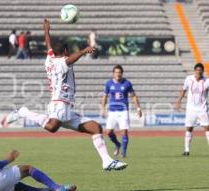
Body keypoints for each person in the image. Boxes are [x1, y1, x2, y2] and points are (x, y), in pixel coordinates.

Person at [7, 19, 127, 171]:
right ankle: (24, 112)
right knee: (52, 127)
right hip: (59, 103)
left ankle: (107, 161)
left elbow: (49, 45)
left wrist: (46, 31)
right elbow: (70, 59)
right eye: (67, 51)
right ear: (64, 52)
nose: (68, 53)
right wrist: (83, 51)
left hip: (66, 108)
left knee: (95, 127)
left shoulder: (49, 59)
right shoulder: (62, 62)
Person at [101, 65, 142, 158]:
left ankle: (123, 153)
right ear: (113, 73)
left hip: (123, 111)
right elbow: (105, 96)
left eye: (119, 72)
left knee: (124, 132)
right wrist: (103, 108)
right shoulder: (109, 83)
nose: (118, 74)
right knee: (108, 132)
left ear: (122, 73)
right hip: (112, 111)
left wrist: (138, 108)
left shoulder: (127, 83)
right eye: (116, 72)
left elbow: (134, 96)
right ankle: (117, 144)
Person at [176, 63, 209, 156]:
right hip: (191, 109)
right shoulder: (188, 79)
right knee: (189, 128)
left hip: (202, 109)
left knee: (207, 128)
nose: (199, 71)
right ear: (194, 71)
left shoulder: (207, 81)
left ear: (203, 71)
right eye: (197, 70)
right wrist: (178, 101)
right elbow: (183, 90)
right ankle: (186, 150)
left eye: (200, 70)